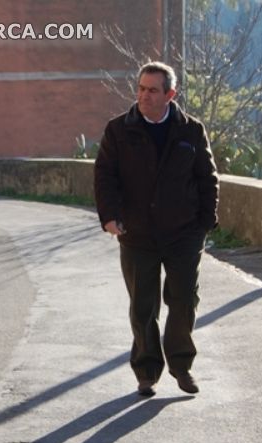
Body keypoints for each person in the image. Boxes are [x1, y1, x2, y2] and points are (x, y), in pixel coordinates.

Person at [94, 61, 219, 397]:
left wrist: (205, 223)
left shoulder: (190, 130)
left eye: (152, 90)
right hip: (137, 235)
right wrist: (110, 216)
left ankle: (181, 366)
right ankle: (147, 370)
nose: (144, 96)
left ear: (170, 94)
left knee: (183, 302)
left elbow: (208, 178)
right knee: (142, 306)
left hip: (183, 234)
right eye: (141, 88)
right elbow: (105, 177)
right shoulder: (119, 130)